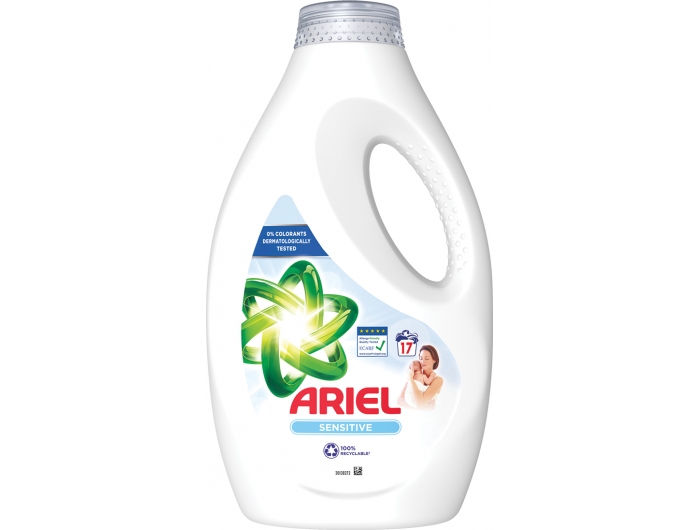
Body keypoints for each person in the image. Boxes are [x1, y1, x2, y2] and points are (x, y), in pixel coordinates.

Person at [397, 345, 444, 410]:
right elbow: (399, 401)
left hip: (429, 416)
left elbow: (419, 404)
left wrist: (411, 380)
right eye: (421, 358)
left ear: (434, 360)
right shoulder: (413, 377)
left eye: (426, 358)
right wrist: (423, 408)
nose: (423, 362)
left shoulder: (438, 380)